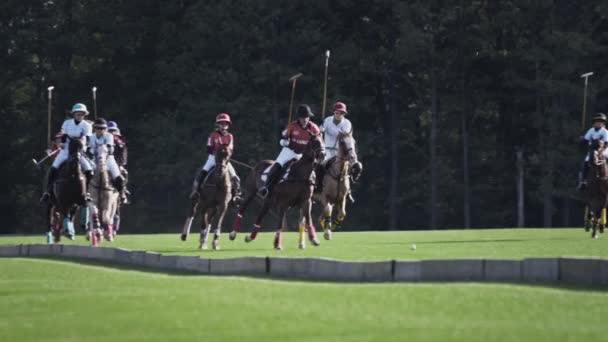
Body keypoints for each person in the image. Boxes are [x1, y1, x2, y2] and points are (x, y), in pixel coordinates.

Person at [259, 104, 321, 197]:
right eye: (302, 117)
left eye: (307, 117)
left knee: (315, 166)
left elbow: (319, 140)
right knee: (278, 164)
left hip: (304, 153)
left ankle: (316, 188)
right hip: (290, 151)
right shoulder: (292, 126)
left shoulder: (314, 128)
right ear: (299, 118)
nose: (305, 119)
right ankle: (266, 186)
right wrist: (285, 142)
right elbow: (283, 137)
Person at [40, 103, 94, 203]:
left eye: (82, 114)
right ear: (74, 114)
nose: (80, 116)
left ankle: (86, 192)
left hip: (79, 151)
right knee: (53, 168)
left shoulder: (87, 125)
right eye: (78, 114)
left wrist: (86, 149)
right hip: (66, 151)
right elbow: (63, 136)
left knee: (89, 171)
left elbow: (88, 139)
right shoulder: (67, 123)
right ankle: (47, 192)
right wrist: (62, 144)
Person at [189, 113, 242, 203]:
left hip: (225, 160)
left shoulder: (230, 136)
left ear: (228, 125)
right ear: (218, 124)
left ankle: (237, 195)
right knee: (203, 171)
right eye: (221, 123)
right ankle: (196, 192)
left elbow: (231, 149)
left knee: (235, 177)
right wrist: (217, 153)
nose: (223, 125)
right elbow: (208, 148)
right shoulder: (213, 135)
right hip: (213, 158)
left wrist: (226, 156)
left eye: (225, 123)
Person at [317, 102, 362, 189]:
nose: (338, 114)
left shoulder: (347, 123)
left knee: (356, 167)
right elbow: (319, 132)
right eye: (337, 112)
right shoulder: (327, 120)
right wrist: (321, 126)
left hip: (340, 151)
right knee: (319, 166)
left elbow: (344, 136)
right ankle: (318, 186)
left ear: (344, 114)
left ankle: (349, 189)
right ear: (334, 112)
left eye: (341, 113)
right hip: (327, 150)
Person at [88, 118, 127, 202]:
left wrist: (102, 150)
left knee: (117, 176)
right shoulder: (92, 137)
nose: (100, 130)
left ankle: (122, 193)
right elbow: (90, 149)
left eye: (102, 128)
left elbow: (110, 149)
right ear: (94, 128)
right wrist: (93, 151)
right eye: (98, 128)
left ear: (105, 129)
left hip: (108, 159)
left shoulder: (109, 136)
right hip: (95, 159)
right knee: (88, 173)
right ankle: (86, 193)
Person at [578, 113, 608, 190]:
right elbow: (585, 140)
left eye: (600, 121)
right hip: (592, 150)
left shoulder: (605, 131)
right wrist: (581, 139)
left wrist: (602, 151)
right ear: (594, 123)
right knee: (586, 161)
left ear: (603, 123)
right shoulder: (591, 130)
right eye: (597, 121)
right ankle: (583, 181)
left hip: (603, 149)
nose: (598, 123)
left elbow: (606, 143)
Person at [107, 120, 130, 204]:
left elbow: (123, 154)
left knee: (123, 175)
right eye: (110, 130)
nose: (112, 132)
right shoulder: (103, 138)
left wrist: (121, 164)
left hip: (116, 163)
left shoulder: (119, 142)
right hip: (102, 162)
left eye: (113, 130)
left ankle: (122, 192)